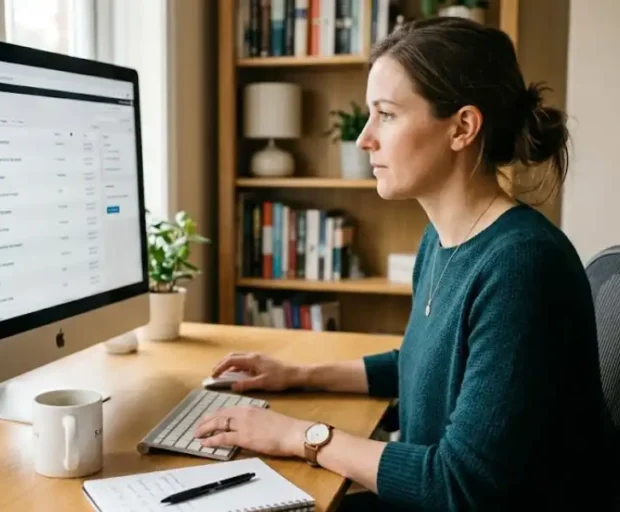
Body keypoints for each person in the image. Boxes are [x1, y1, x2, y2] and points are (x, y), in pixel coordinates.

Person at [194, 16, 619, 511]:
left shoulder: (522, 265)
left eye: (387, 114)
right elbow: (420, 364)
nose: (364, 139)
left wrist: (296, 435)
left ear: (462, 127)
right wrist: (296, 374)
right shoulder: (442, 239)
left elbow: (459, 483)